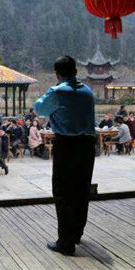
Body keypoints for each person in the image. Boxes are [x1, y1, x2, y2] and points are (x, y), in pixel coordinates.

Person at [33, 55, 95, 256]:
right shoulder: (88, 92)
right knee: (81, 190)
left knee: (63, 192)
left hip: (67, 145)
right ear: (76, 71)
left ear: (57, 74)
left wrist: (53, 89)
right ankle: (76, 234)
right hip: (87, 145)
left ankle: (65, 243)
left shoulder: (57, 91)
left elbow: (39, 108)